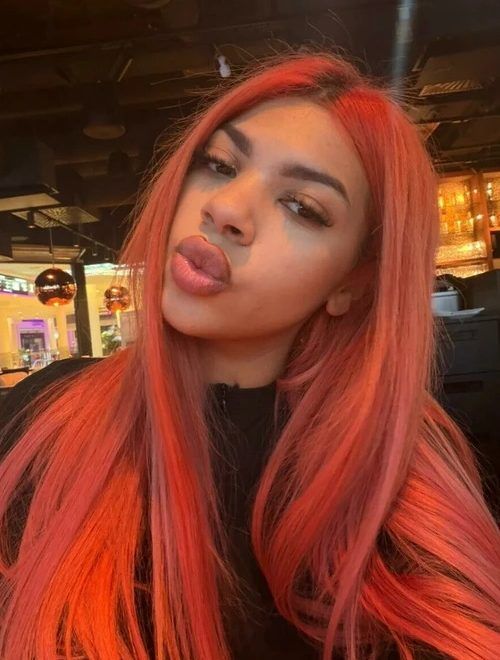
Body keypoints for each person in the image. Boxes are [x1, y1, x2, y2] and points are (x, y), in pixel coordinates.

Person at [0, 51, 499, 660]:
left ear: (353, 283)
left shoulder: (400, 474)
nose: (226, 208)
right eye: (218, 164)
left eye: (302, 207)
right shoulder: (44, 414)